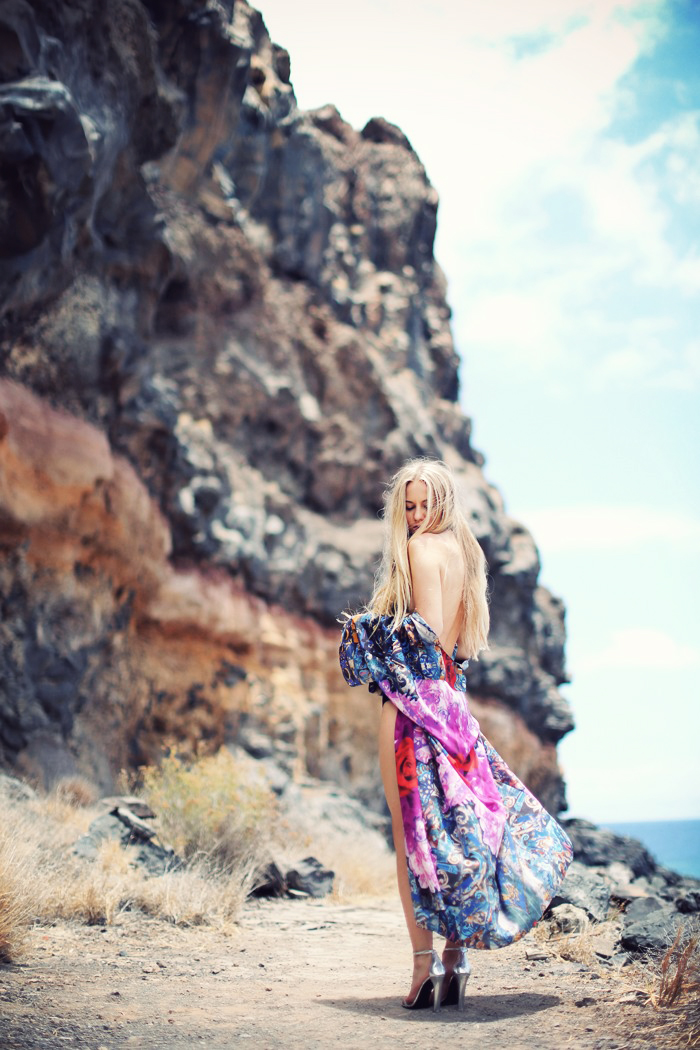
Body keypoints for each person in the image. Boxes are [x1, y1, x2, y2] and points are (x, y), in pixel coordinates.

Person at [339, 459, 573, 1013]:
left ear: (444, 502)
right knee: (459, 832)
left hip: (412, 709)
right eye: (409, 507)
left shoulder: (420, 550)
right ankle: (456, 959)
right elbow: (461, 648)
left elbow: (424, 637)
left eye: (426, 504)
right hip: (454, 706)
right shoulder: (466, 557)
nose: (417, 516)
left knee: (411, 839)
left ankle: (423, 967)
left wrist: (365, 630)